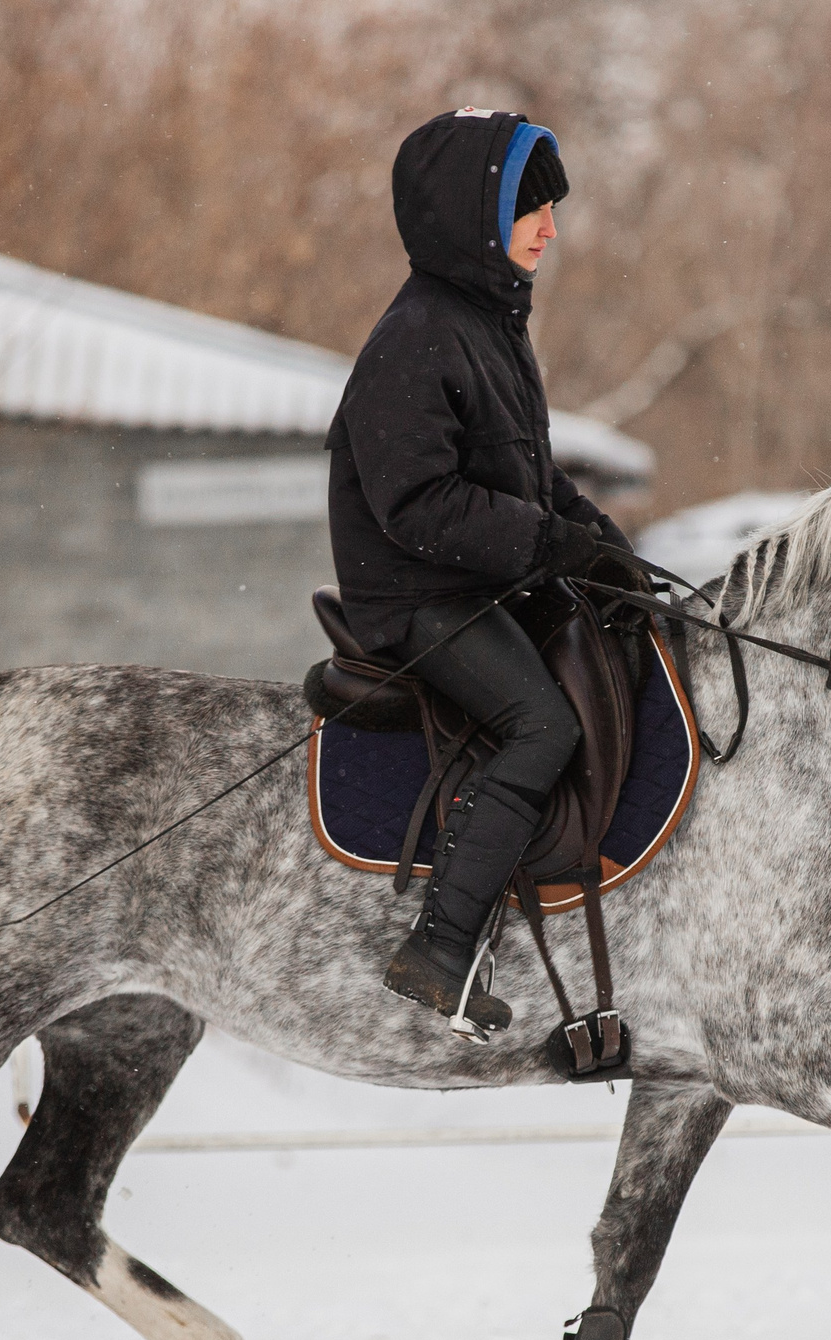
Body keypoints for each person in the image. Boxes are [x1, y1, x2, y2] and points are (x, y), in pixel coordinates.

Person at [326, 109, 631, 1034]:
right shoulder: (416, 337)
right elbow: (416, 504)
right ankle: (442, 946)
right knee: (541, 723)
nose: (550, 227)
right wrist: (546, 546)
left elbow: (529, 477)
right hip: (417, 598)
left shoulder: (488, 326)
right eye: (531, 207)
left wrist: (605, 544)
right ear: (471, 213)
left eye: (553, 209)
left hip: (476, 586)